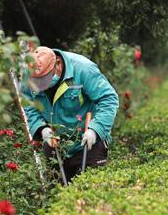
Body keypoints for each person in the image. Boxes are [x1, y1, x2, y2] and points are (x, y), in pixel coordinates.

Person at [23, 46, 119, 183]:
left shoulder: (83, 69)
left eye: (45, 80)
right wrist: (41, 129)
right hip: (55, 144)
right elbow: (28, 105)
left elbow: (109, 99)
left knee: (91, 190)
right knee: (57, 194)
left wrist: (95, 130)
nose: (43, 87)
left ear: (57, 64)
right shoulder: (30, 72)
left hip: (87, 142)